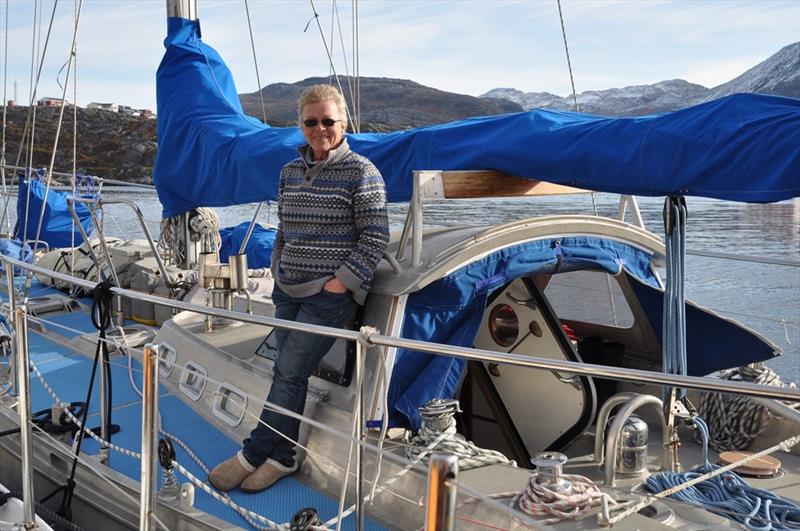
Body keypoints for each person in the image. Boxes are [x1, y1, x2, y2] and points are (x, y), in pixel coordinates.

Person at [209, 84, 390, 493]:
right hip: (287, 289)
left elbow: (376, 236)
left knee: (290, 371)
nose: (320, 129)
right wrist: (276, 264)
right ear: (301, 125)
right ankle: (284, 456)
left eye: (328, 121)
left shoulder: (362, 172)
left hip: (326, 298)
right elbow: (284, 230)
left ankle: (253, 454)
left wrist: (339, 284)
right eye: (311, 122)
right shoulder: (290, 172)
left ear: (343, 123)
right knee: (287, 373)